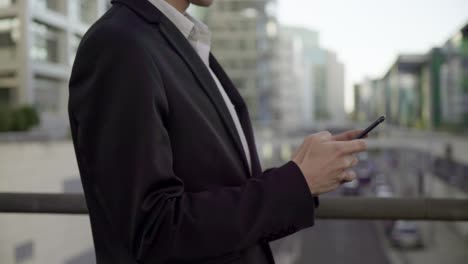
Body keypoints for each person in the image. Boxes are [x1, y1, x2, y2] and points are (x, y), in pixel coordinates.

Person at [68, 0, 368, 263]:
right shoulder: (118, 44)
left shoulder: (180, 41)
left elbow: (218, 187)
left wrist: (301, 172)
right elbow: (153, 230)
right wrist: (295, 184)